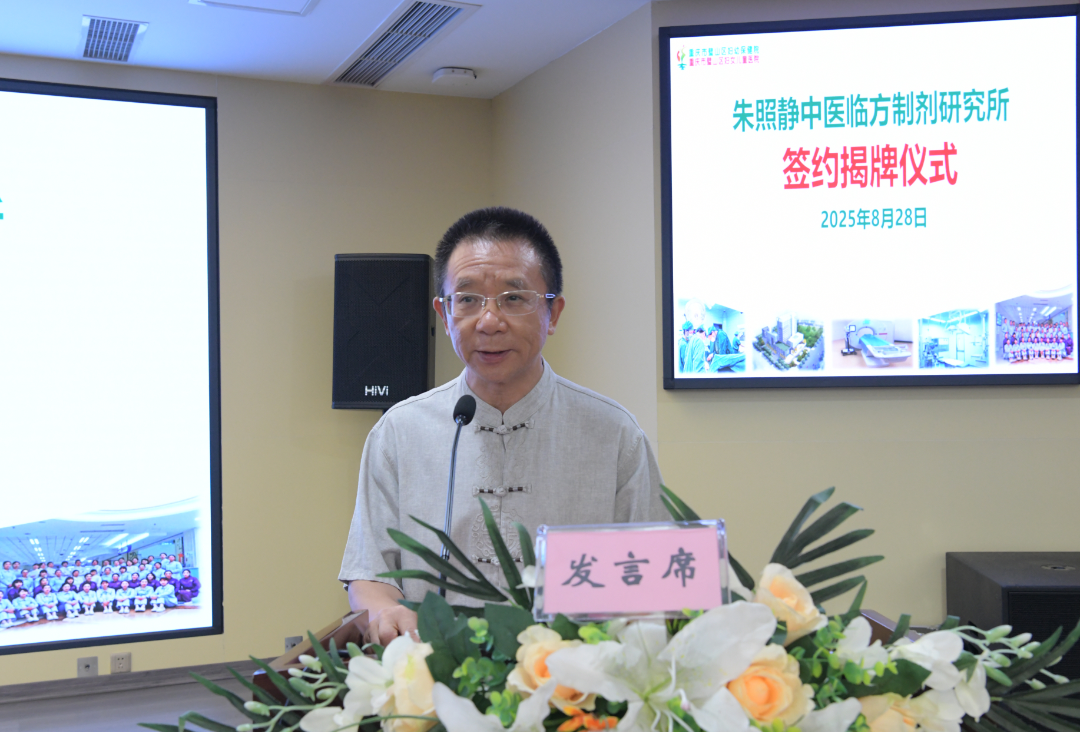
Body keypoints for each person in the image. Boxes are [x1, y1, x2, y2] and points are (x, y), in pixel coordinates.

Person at [339, 207, 665, 646]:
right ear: (443, 314)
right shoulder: (399, 432)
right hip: (432, 671)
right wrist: (385, 613)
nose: (489, 322)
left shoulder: (613, 434)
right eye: (467, 299)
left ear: (553, 312)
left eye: (514, 298)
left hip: (570, 678)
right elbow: (370, 573)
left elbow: (651, 580)